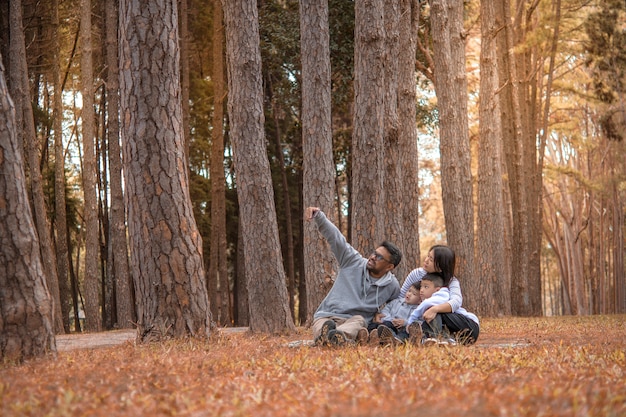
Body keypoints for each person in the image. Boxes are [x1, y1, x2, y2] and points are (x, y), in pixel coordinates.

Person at [305, 206, 401, 346]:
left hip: (353, 321)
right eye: (374, 253)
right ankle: (328, 337)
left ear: (389, 267)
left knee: (360, 320)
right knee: (326, 326)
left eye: (379, 257)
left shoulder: (392, 286)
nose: (373, 257)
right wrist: (319, 216)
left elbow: (396, 305)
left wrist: (383, 315)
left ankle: (335, 337)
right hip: (326, 316)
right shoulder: (352, 261)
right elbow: (336, 238)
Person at [400, 245, 480, 345]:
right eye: (428, 256)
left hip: (464, 326)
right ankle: (402, 339)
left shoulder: (451, 282)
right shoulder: (417, 274)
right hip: (428, 322)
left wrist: (435, 309)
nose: (426, 260)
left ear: (441, 266)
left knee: (432, 310)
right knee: (420, 323)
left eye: (431, 259)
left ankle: (433, 337)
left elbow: (456, 302)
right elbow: (401, 297)